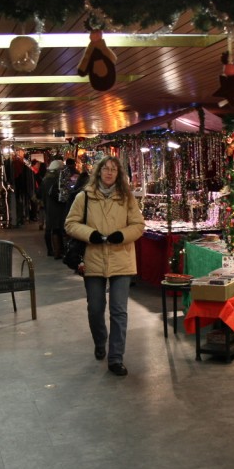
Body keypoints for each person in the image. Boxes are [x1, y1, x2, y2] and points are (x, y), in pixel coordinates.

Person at [64, 156, 146, 377]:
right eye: (106, 169)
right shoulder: (84, 196)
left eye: (113, 170)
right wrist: (89, 234)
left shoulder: (127, 198)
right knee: (95, 308)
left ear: (118, 174)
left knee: (119, 311)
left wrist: (123, 235)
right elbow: (70, 223)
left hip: (122, 260)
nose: (109, 172)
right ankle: (100, 341)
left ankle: (116, 358)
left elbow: (138, 225)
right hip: (94, 259)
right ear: (99, 172)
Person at [41, 160, 64, 257]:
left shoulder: (45, 179)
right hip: (57, 207)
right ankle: (57, 251)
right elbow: (59, 195)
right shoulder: (57, 180)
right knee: (56, 229)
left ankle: (51, 250)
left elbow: (40, 194)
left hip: (49, 206)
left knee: (49, 229)